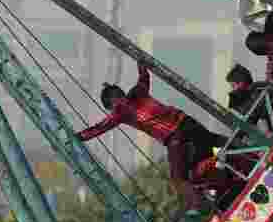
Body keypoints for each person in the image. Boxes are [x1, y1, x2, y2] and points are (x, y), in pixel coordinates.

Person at [77, 62, 227, 209]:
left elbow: (98, 128)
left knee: (178, 178)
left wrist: (78, 137)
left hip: (175, 137)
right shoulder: (138, 91)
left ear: (111, 104)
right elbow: (144, 76)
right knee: (213, 143)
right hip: (186, 121)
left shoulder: (119, 111)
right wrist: (140, 62)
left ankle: (202, 207)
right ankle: (242, 148)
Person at [226, 63, 273, 134]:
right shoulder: (257, 88)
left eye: (233, 86)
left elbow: (258, 114)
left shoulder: (257, 89)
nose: (233, 89)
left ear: (241, 83)